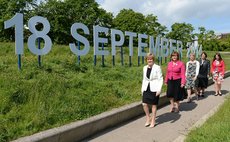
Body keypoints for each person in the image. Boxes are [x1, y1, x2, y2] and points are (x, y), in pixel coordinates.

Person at [141, 53, 163, 128]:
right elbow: (144, 79)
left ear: (153, 60)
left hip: (155, 88)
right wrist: (142, 89)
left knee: (154, 105)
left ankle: (153, 120)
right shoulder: (144, 68)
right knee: (144, 103)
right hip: (146, 87)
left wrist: (159, 89)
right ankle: (148, 117)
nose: (149, 60)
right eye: (148, 59)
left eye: (151, 59)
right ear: (146, 60)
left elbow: (160, 79)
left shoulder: (157, 67)